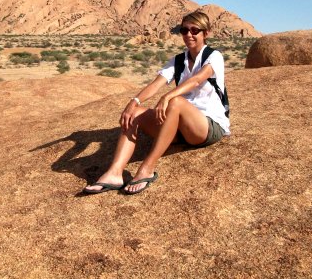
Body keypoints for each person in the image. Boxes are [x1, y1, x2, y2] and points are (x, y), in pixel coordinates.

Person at [83, 11, 230, 195]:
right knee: (135, 114)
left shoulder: (214, 56)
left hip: (207, 126)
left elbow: (198, 79)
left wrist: (167, 97)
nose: (189, 35)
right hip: (179, 128)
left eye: (195, 30)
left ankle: (147, 169)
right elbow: (156, 84)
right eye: (184, 30)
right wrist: (133, 102)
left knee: (176, 102)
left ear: (205, 33)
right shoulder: (178, 60)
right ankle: (115, 173)